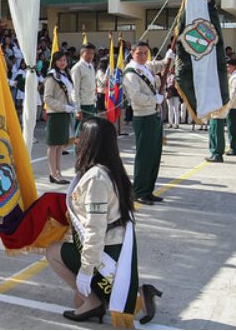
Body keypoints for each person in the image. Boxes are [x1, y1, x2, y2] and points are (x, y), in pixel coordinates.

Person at [46, 117, 162, 327]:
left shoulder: (96, 178)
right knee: (78, 298)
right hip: (114, 247)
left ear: (91, 142)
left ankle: (94, 302)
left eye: (81, 136)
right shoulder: (110, 168)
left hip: (106, 252)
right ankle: (139, 296)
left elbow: (95, 230)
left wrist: (86, 270)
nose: (77, 141)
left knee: (53, 252)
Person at [122, 41, 175, 205]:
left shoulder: (146, 67)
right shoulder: (131, 73)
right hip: (143, 116)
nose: (143, 56)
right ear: (132, 53)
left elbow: (160, 65)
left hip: (154, 114)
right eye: (139, 53)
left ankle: (148, 190)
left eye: (145, 53)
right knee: (144, 156)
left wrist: (168, 58)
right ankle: (139, 191)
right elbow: (136, 97)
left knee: (154, 155)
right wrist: (154, 99)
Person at [44, 51, 74, 185]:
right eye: (60, 60)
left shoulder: (64, 75)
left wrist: (72, 105)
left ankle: (58, 172)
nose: (63, 62)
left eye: (65, 60)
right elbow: (47, 98)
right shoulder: (52, 77)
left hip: (64, 113)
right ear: (55, 61)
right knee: (53, 144)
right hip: (55, 113)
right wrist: (63, 106)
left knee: (60, 145)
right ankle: (53, 173)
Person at [71, 43, 97, 131]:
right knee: (80, 132)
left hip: (91, 104)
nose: (91, 55)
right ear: (82, 53)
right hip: (82, 106)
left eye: (92, 53)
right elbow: (75, 89)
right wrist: (77, 109)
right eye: (88, 53)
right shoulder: (77, 68)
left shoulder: (91, 66)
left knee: (90, 132)